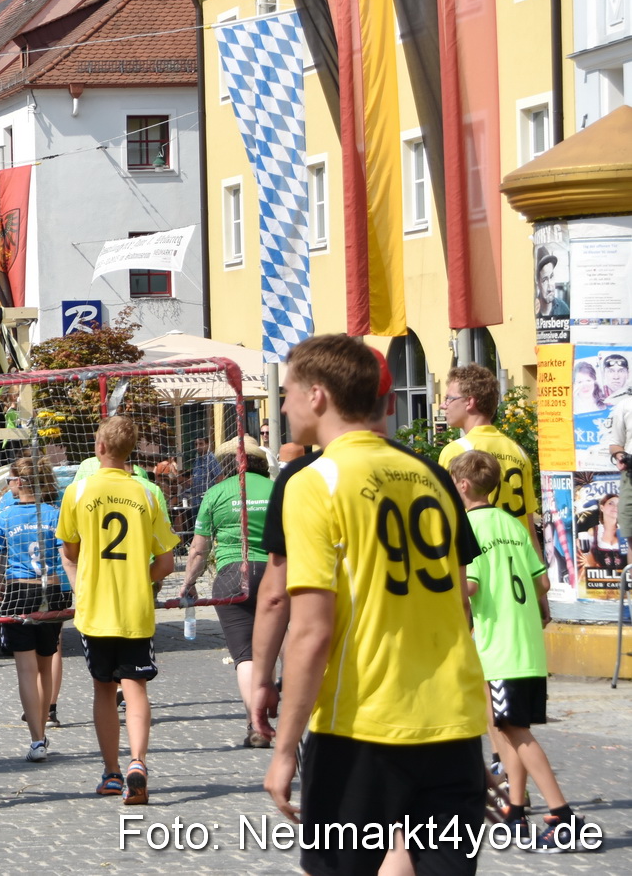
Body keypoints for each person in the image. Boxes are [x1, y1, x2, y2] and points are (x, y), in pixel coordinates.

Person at [266, 334, 486, 876]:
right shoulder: (432, 476)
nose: (284, 404)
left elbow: (311, 631)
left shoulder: (315, 482)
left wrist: (284, 747)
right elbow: (461, 600)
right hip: (451, 721)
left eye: (288, 391)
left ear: (318, 396)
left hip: (362, 725)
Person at [450, 451, 581, 852]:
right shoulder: (512, 524)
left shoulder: (468, 526)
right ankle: (516, 808)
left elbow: (469, 586)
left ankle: (561, 814)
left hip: (497, 645)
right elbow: (541, 584)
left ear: (463, 485)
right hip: (524, 643)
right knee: (499, 723)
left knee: (516, 731)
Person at [56, 416, 178, 805]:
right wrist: (144, 580)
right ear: (132, 452)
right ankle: (137, 763)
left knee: (103, 689)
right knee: (136, 687)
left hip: (95, 607)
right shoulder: (147, 494)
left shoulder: (78, 491)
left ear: (100, 447)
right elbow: (166, 561)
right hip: (134, 606)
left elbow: (70, 550)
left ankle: (110, 771)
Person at [175, 437, 274, 747]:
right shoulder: (278, 490)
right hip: (277, 573)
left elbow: (199, 550)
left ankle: (257, 724)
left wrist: (189, 582)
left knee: (244, 656)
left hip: (232, 576)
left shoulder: (216, 493)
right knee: (280, 644)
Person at [0, 455, 68, 762]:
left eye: (10, 480)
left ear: (20, 482)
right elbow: (67, 556)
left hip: (20, 590)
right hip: (53, 589)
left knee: (26, 670)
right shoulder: (55, 514)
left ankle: (37, 739)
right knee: (45, 665)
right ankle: (44, 724)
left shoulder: (6, 517)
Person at [439, 364, 539, 544]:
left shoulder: (456, 452)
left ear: (469, 402)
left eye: (448, 398)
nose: (442, 405)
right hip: (518, 562)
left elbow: (446, 521)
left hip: (480, 562)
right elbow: (529, 527)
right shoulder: (518, 451)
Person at [536, 250, 569, 318]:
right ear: (537, 282)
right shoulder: (531, 309)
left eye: (551, 277)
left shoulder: (564, 309)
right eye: (544, 280)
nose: (550, 287)